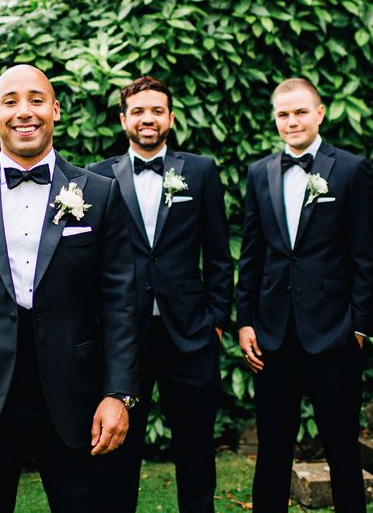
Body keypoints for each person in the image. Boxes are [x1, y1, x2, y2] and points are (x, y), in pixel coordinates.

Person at [0, 64, 139, 512]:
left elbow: (121, 303)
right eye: (10, 102)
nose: (24, 112)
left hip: (77, 403)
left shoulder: (100, 193)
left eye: (36, 99)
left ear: (55, 110)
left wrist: (118, 394)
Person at [88, 76, 233, 512]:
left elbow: (219, 252)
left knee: (195, 449)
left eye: (156, 111)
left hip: (189, 333)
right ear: (123, 120)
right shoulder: (99, 177)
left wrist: (216, 320)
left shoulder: (201, 170)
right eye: (138, 111)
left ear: (169, 118)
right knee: (119, 450)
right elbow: (93, 263)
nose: (147, 119)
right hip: (124, 338)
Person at [237, 77, 373, 512]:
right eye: (283, 114)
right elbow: (252, 253)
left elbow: (368, 256)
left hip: (335, 336)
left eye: (300, 111)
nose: (292, 121)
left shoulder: (352, 170)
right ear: (275, 119)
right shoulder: (259, 172)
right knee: (273, 447)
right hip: (273, 336)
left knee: (341, 447)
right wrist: (246, 320)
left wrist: (359, 328)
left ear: (320, 113)